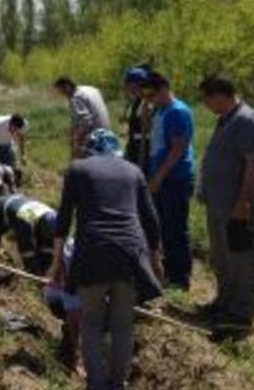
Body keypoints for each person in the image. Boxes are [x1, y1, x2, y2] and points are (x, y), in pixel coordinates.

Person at [50, 129, 163, 390]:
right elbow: (151, 220)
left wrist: (56, 264)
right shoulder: (133, 171)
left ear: (89, 150)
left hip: (93, 253)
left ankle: (97, 384)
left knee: (91, 321)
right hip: (130, 256)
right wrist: (155, 260)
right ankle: (118, 383)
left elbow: (64, 219)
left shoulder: (77, 169)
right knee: (123, 324)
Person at [198, 76, 254, 336]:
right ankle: (224, 302)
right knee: (221, 257)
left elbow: (252, 165)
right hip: (218, 203)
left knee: (242, 260)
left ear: (220, 95)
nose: (205, 104)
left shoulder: (246, 120)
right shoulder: (225, 119)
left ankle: (241, 314)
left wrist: (242, 203)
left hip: (236, 205)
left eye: (206, 98)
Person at [141, 72, 195, 290]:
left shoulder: (177, 112)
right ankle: (168, 270)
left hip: (175, 179)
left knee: (175, 228)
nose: (149, 99)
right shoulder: (160, 110)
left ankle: (180, 278)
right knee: (162, 226)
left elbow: (178, 148)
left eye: (152, 95)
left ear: (164, 88)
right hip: (162, 178)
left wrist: (159, 177)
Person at [0, 193, 57, 275]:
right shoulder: (25, 223)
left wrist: (46, 264)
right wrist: (35, 272)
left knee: (43, 245)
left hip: (18, 202)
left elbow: (48, 248)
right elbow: (27, 252)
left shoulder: (53, 218)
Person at [42, 236, 82, 372]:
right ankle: (69, 354)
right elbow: (73, 311)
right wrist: (76, 356)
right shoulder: (73, 253)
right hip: (58, 300)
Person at [53, 76, 111, 159]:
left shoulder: (76, 98)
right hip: (106, 133)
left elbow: (86, 122)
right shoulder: (90, 89)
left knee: (84, 164)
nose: (63, 95)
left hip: (94, 138)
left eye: (61, 91)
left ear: (67, 87)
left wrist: (77, 140)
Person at [121, 66, 152, 169]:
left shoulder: (148, 102)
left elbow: (148, 129)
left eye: (129, 84)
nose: (127, 87)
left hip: (144, 151)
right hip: (133, 148)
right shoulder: (137, 101)